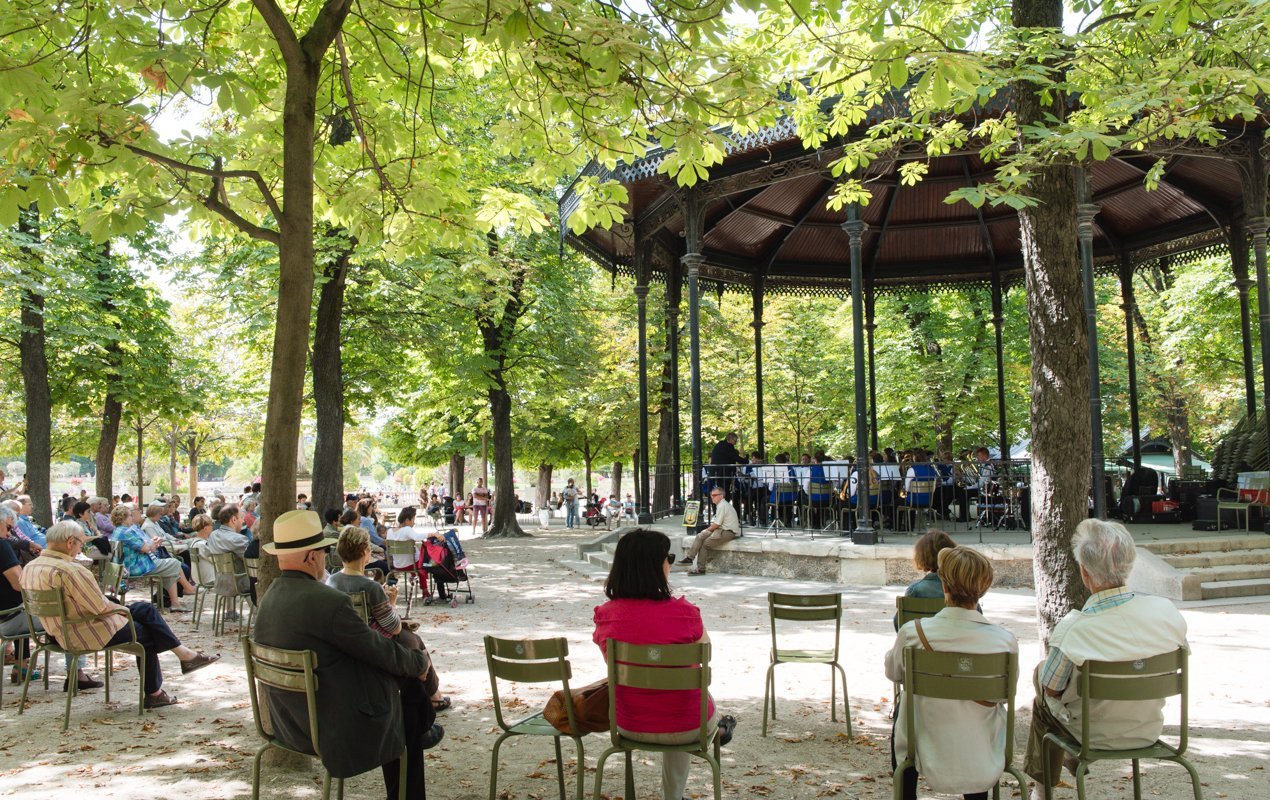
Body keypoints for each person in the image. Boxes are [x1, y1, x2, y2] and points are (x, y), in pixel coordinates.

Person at [252, 510, 441, 800]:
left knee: (407, 697)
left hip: (287, 723)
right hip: (330, 728)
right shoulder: (328, 601)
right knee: (410, 696)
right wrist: (419, 662)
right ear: (310, 557)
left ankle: (421, 728)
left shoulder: (269, 598)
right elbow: (376, 648)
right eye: (323, 551)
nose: (325, 558)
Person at [1022, 519, 1188, 800]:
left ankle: (1042, 791)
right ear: (1129, 564)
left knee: (1042, 686)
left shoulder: (1075, 629)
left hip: (1091, 735)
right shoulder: (1167, 613)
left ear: (1085, 573)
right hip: (1146, 729)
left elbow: (1051, 691)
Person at [594, 528, 733, 800]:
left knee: (672, 701)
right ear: (654, 567)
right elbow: (706, 654)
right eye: (668, 558)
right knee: (686, 701)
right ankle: (673, 795)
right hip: (688, 726)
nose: (671, 563)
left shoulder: (605, 617)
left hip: (628, 723)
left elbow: (611, 664)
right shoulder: (685, 613)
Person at [23, 520, 219, 707]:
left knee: (144, 609)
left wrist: (118, 606)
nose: (80, 550)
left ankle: (185, 657)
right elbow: (99, 608)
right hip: (85, 632)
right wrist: (123, 610)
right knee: (148, 631)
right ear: (69, 543)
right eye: (81, 544)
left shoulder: (30, 567)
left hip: (55, 632)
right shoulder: (70, 570)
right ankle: (157, 691)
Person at [885, 546, 1018, 800]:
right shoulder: (1004, 641)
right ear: (984, 588)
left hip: (923, 745)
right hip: (980, 748)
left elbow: (894, 674)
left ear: (944, 585)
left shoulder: (912, 633)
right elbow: (1003, 695)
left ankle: (905, 793)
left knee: (904, 706)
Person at [111, 504, 198, 612]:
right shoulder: (127, 532)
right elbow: (146, 548)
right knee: (175, 563)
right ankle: (186, 590)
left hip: (127, 566)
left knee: (170, 568)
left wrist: (150, 544)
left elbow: (143, 547)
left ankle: (176, 603)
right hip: (137, 566)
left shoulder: (118, 530)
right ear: (123, 518)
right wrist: (153, 543)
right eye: (130, 515)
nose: (132, 517)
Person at [677, 485, 740, 576]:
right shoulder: (722, 505)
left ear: (721, 496)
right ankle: (689, 559)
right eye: (711, 495)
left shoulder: (722, 505)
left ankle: (700, 568)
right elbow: (717, 524)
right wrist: (706, 531)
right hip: (721, 529)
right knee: (700, 536)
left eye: (714, 495)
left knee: (705, 544)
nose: (712, 497)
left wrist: (707, 530)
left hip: (727, 532)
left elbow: (717, 524)